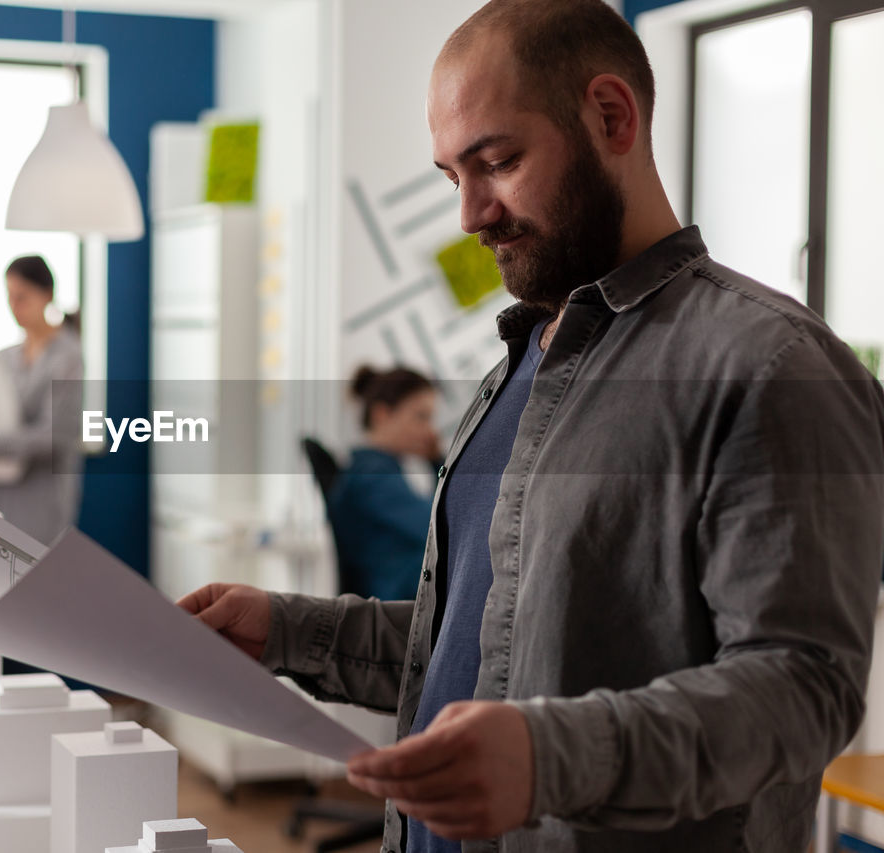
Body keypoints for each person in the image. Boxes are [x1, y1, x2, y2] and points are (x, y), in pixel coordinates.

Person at [178, 1, 884, 851]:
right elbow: (490, 643)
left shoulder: (774, 368)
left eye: (499, 161)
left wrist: (551, 758)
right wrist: (289, 629)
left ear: (611, 116)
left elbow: (802, 691)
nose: (472, 213)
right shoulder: (516, 370)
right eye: (452, 176)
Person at [0, 256, 83, 543]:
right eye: (10, 298)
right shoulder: (5, 358)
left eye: (22, 298)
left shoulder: (68, 357)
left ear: (46, 295)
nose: (15, 308)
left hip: (41, 495)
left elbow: (55, 435)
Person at [327, 365, 441, 602]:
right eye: (421, 417)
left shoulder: (372, 470)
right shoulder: (372, 476)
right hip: (396, 599)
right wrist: (438, 461)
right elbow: (437, 528)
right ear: (382, 415)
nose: (429, 431)